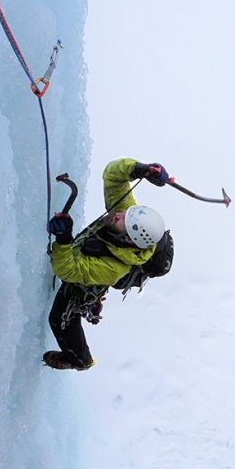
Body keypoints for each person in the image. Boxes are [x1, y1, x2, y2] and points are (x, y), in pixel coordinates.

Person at [43, 157, 170, 371]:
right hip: (84, 261)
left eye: (123, 220)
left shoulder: (114, 268)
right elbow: (112, 176)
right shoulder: (128, 217)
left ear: (130, 239)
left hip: (79, 288)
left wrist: (64, 239)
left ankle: (81, 361)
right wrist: (141, 169)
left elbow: (67, 270)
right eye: (125, 213)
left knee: (59, 319)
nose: (119, 214)